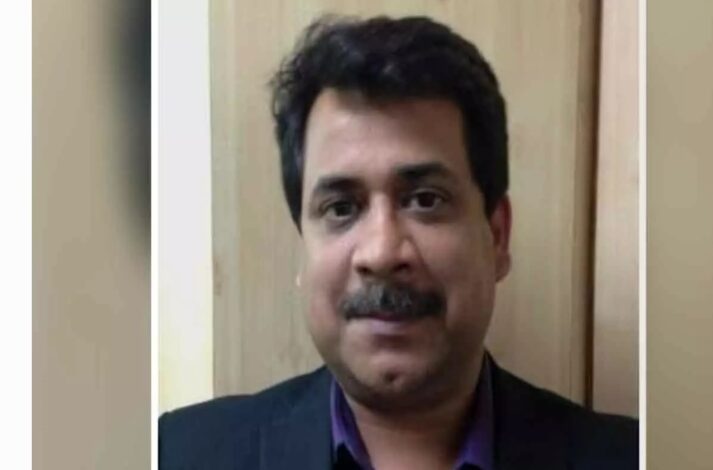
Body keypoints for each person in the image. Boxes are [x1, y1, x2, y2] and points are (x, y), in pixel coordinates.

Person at [159, 15, 638, 470]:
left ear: (496, 236)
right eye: (341, 208)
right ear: (304, 248)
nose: (382, 253)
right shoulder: (174, 454)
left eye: (425, 200)